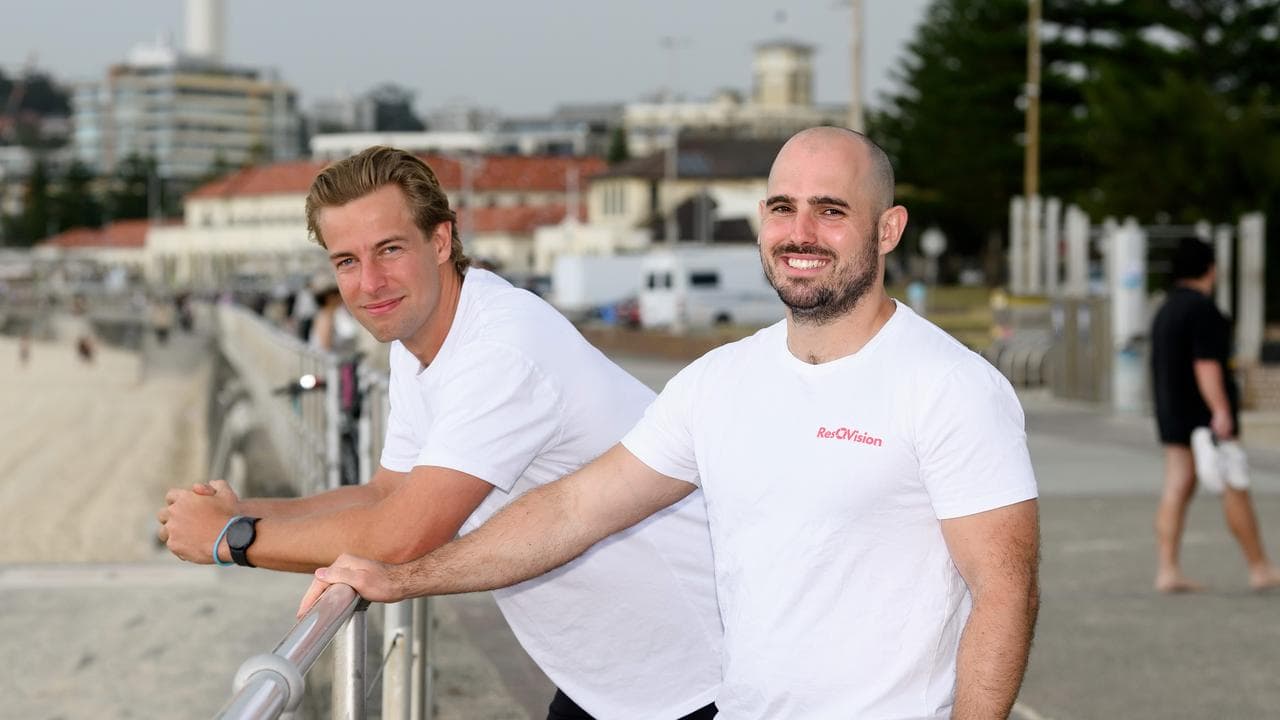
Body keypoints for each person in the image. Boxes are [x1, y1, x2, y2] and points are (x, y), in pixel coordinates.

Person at [302, 127, 1041, 719]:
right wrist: (403, 578)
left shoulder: (949, 386)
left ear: (888, 229)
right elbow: (572, 511)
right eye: (782, 208)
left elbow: (1006, 593)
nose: (801, 232)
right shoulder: (720, 382)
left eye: (831, 210)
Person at [156, 146, 722, 720]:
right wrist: (246, 510)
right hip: (607, 682)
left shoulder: (499, 347)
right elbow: (385, 493)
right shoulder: (420, 340)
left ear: (442, 240)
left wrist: (233, 540)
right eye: (346, 261)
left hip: (700, 677)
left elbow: (401, 536)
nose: (370, 282)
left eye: (390, 249)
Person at [1149, 237, 1280, 593]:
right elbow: (1206, 365)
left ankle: (1167, 569)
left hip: (1172, 411)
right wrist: (1221, 409)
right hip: (1204, 416)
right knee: (1234, 483)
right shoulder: (1204, 310)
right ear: (1211, 269)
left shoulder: (1165, 310)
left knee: (1177, 485)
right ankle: (1259, 566)